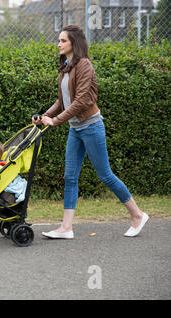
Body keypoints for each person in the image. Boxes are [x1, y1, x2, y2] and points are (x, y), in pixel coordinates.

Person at [33, 25, 148, 239]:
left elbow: (82, 100)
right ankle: (66, 228)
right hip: (75, 129)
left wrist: (55, 121)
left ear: (73, 44)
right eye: (58, 40)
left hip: (91, 127)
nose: (58, 44)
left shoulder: (84, 65)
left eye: (63, 41)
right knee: (70, 177)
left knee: (105, 174)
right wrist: (43, 116)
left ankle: (137, 214)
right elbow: (62, 100)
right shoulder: (66, 66)